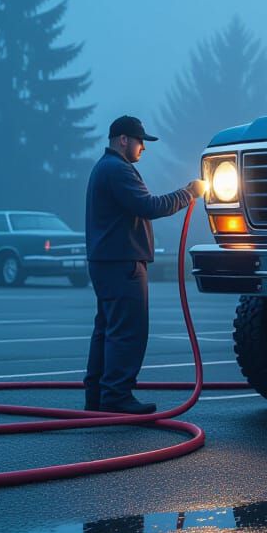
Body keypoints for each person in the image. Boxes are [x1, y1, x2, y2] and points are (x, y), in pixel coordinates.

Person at [84, 115, 207, 413]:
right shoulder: (117, 170)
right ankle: (116, 396)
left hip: (107, 261)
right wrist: (189, 193)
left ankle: (98, 395)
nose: (144, 148)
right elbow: (149, 206)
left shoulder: (104, 168)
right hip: (122, 262)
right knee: (128, 330)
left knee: (108, 328)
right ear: (123, 140)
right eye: (141, 142)